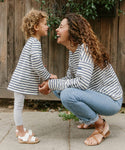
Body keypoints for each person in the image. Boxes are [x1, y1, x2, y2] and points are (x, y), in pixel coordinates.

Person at [39, 13, 123, 146]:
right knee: (59, 89)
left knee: (66, 94)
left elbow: (81, 83)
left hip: (111, 100)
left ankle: (101, 127)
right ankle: (91, 120)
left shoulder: (85, 49)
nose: (56, 29)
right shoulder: (73, 51)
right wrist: (52, 81)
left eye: (61, 26)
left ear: (72, 30)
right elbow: (70, 79)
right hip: (97, 95)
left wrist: (54, 83)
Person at [7, 9, 57, 144]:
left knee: (18, 105)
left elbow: (34, 64)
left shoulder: (31, 42)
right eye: (45, 24)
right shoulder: (34, 43)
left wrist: (43, 74)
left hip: (20, 80)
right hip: (20, 80)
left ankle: (19, 130)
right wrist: (47, 77)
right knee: (18, 106)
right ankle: (21, 133)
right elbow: (36, 64)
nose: (47, 26)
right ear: (36, 27)